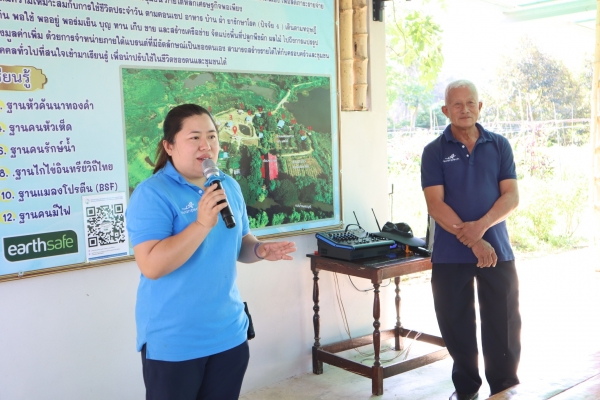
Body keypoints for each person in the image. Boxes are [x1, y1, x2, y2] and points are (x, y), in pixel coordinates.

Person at [125, 103, 296, 400]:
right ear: (169, 146)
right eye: (194, 137)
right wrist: (201, 224)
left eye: (212, 136)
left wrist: (259, 250)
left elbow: (240, 243)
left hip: (229, 334)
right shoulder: (152, 194)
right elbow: (151, 265)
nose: (206, 145)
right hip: (175, 342)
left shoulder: (227, 185)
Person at [420, 80, 521, 400]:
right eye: (457, 104)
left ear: (480, 106)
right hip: (450, 253)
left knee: (503, 322)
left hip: (497, 250)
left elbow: (511, 196)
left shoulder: (499, 145)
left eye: (470, 103)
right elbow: (435, 204)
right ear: (445, 110)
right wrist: (474, 240)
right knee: (455, 323)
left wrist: (482, 227)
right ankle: (466, 390)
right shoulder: (434, 151)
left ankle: (504, 388)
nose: (464, 109)